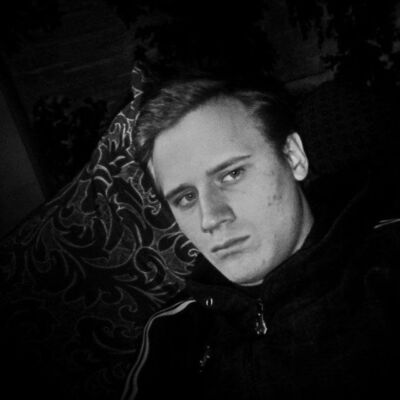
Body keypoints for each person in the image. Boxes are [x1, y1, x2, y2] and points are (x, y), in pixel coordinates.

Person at [121, 73, 400, 400]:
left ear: (293, 157)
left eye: (232, 174)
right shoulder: (174, 334)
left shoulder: (387, 267)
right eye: (186, 197)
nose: (210, 218)